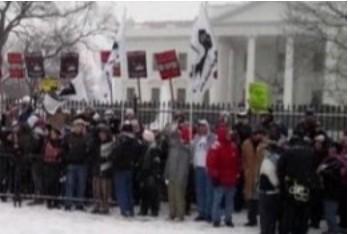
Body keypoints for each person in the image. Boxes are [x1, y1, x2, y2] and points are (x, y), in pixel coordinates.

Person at [277, 132, 316, 234]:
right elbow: (314, 170)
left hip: (291, 186)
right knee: (303, 212)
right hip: (306, 186)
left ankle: (285, 230)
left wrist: (282, 183)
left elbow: (280, 169)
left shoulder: (288, 153)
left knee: (289, 213)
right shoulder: (310, 152)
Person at [207, 127, 240, 227]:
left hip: (231, 179)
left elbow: (237, 162)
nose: (229, 136)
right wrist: (215, 176)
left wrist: (237, 174)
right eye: (227, 134)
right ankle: (216, 219)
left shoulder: (233, 146)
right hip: (220, 179)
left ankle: (228, 218)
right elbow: (211, 163)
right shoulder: (216, 146)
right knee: (217, 200)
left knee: (229, 201)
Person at [111, 121, 139, 217]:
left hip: (120, 168)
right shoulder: (135, 141)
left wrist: (113, 158)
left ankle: (124, 209)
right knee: (128, 190)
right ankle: (130, 209)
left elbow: (116, 153)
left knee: (121, 190)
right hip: (130, 167)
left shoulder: (121, 140)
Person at [164, 124, 192, 221]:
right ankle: (172, 213)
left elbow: (183, 166)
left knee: (179, 196)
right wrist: (166, 174)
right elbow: (169, 162)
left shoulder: (183, 150)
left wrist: (180, 177)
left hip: (179, 177)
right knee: (171, 195)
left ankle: (180, 214)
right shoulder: (172, 149)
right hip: (171, 175)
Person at [317, 142, 345, 234]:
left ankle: (334, 231)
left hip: (332, 191)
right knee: (329, 211)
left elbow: (336, 176)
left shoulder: (337, 161)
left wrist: (323, 171)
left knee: (330, 212)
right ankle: (332, 229)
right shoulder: (331, 160)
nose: (330, 150)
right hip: (330, 190)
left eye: (332, 148)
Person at [191, 119, 215, 222]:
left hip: (208, 167)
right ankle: (201, 212)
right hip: (198, 167)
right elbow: (192, 150)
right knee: (200, 191)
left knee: (209, 191)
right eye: (199, 126)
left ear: (207, 127)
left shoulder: (212, 138)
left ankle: (208, 212)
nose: (201, 128)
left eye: (203, 126)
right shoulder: (196, 138)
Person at [63, 118, 89, 210]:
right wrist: (66, 158)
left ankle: (79, 203)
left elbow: (88, 151)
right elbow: (64, 149)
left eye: (81, 126)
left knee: (81, 185)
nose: (79, 128)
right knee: (69, 184)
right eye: (77, 126)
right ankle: (68, 203)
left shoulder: (86, 138)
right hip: (71, 163)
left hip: (82, 164)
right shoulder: (68, 137)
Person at [258, 135, 283, 234]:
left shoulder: (269, 160)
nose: (263, 151)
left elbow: (271, 176)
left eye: (265, 149)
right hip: (273, 192)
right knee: (271, 217)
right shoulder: (278, 159)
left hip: (267, 192)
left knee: (265, 217)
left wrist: (276, 184)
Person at [242, 128, 265, 227]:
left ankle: (262, 218)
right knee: (250, 198)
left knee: (260, 198)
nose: (257, 136)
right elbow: (243, 158)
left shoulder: (264, 144)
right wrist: (245, 169)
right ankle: (251, 219)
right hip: (249, 174)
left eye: (259, 134)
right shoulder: (246, 144)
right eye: (255, 134)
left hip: (261, 174)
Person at [138, 129, 163, 216]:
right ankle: (144, 209)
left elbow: (156, 162)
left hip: (151, 173)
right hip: (145, 172)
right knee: (144, 192)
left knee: (153, 192)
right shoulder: (146, 148)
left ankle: (153, 210)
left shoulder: (154, 149)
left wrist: (155, 174)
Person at [91, 124, 113, 214]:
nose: (102, 135)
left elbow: (112, 156)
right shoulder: (95, 143)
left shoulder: (110, 143)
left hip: (106, 169)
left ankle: (105, 206)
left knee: (105, 189)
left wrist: (106, 159)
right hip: (97, 167)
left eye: (103, 134)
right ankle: (97, 204)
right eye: (100, 134)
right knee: (96, 188)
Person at [42, 128, 63, 209]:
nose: (53, 135)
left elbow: (61, 152)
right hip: (48, 164)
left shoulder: (60, 142)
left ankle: (56, 201)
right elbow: (44, 151)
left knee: (56, 184)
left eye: (54, 134)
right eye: (52, 133)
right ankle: (49, 201)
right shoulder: (47, 142)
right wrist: (56, 152)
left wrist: (57, 153)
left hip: (56, 165)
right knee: (49, 183)